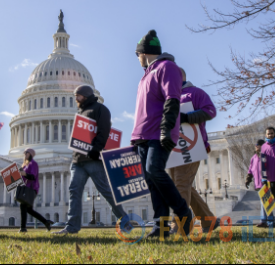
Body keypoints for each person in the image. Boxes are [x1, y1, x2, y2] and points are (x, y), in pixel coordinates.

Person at [131, 30, 193, 239]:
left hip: (159, 132)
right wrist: (135, 137)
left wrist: (167, 128)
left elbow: (172, 99)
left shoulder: (167, 68)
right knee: (151, 179)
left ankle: (183, 212)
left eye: (137, 54)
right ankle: (161, 226)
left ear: (144, 52)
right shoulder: (145, 75)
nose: (137, 58)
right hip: (143, 134)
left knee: (155, 170)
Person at [53, 85, 128, 235]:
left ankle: (125, 221)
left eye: (78, 96)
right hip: (78, 160)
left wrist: (96, 150)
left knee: (105, 191)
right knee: (74, 191)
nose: (76, 99)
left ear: (85, 96)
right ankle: (72, 227)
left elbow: (104, 131)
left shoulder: (101, 109)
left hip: (93, 159)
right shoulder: (81, 111)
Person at [169, 68, 218, 233]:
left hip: (191, 147)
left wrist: (188, 118)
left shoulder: (195, 93)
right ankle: (208, 221)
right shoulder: (167, 98)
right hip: (172, 149)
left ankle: (180, 227)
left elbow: (210, 111)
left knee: (181, 184)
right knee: (181, 186)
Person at [19, 149, 53, 233]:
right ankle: (46, 222)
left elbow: (33, 176)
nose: (25, 155)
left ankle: (23, 228)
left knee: (23, 206)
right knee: (28, 209)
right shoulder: (24, 165)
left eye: (26, 153)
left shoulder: (33, 164)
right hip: (26, 188)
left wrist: (24, 174)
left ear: (30, 154)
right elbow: (23, 178)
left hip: (31, 188)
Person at [245, 139, 274, 228]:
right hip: (258, 183)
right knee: (263, 202)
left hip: (266, 182)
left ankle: (267, 221)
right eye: (256, 145)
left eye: (258, 144)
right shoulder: (253, 158)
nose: (256, 146)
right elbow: (250, 170)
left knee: (266, 203)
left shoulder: (267, 155)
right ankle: (265, 221)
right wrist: (248, 179)